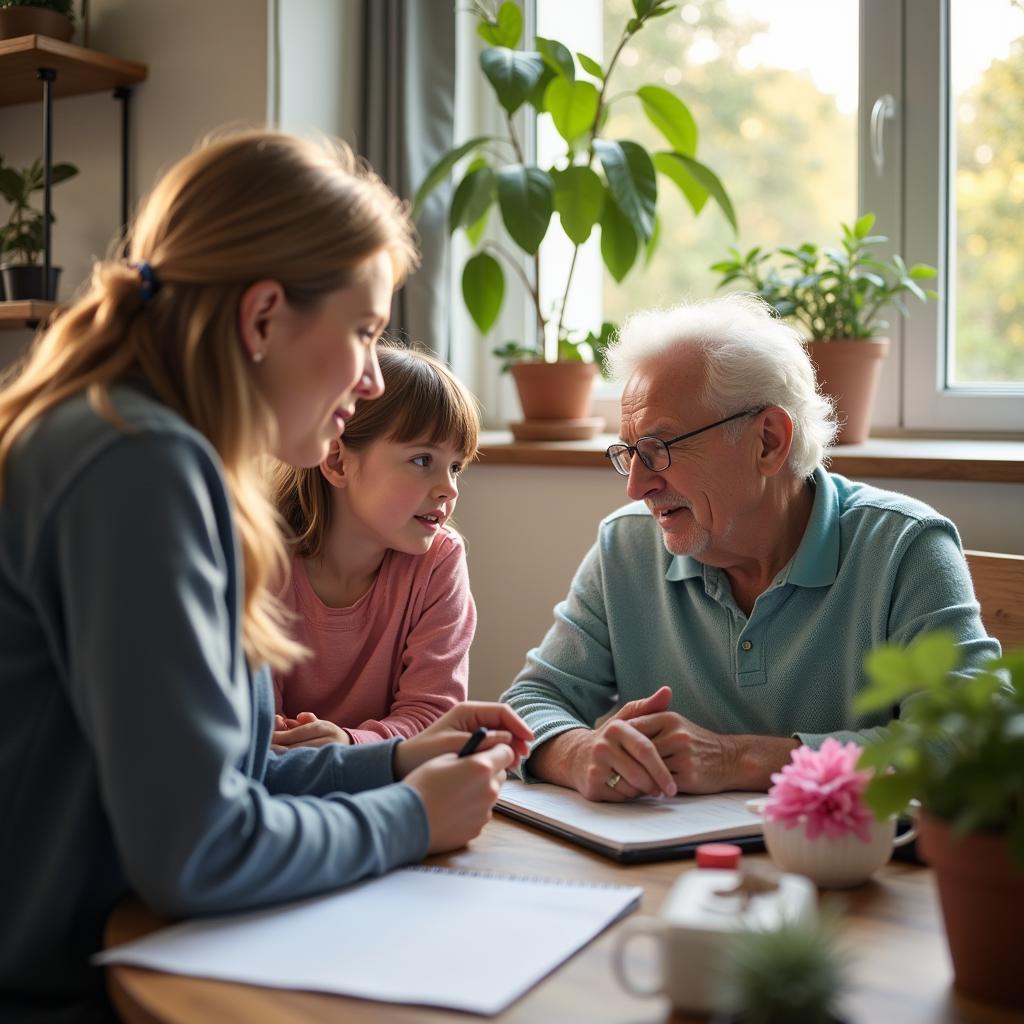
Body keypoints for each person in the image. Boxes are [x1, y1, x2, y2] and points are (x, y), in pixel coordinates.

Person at [0, 130, 531, 1023]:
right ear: (262, 318)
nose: (369, 380)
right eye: (364, 332)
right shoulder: (137, 467)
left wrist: (399, 762)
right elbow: (201, 850)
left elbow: (218, 787)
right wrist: (411, 818)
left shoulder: (147, 448)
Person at [501, 293, 997, 804]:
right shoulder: (626, 546)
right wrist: (579, 751)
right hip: (666, 871)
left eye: (659, 449)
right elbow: (531, 701)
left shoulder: (904, 548)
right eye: (629, 453)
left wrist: (738, 759)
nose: (636, 486)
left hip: (847, 871)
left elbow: (968, 740)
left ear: (768, 441)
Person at [268, 342, 479, 749]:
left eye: (456, 467)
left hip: (383, 779)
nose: (448, 488)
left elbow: (435, 716)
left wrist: (349, 745)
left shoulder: (439, 561)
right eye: (422, 460)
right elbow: (254, 725)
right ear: (338, 462)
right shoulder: (263, 558)